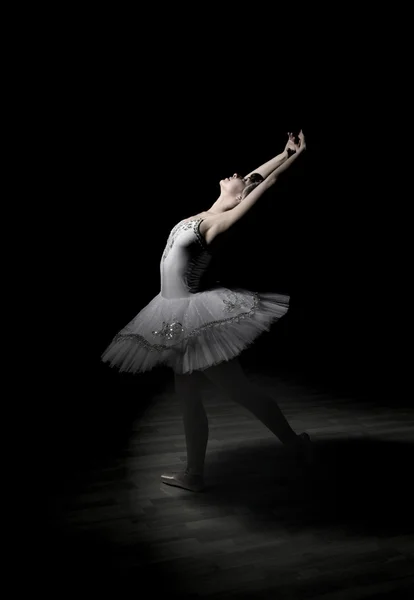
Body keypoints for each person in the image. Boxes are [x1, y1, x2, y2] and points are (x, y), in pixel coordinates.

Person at [102, 131, 312, 492]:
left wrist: (296, 158)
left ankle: (290, 443)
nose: (239, 176)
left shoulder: (217, 224)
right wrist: (282, 152)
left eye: (243, 182)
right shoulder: (208, 212)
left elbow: (269, 181)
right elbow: (259, 175)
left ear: (242, 196)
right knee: (190, 397)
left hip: (194, 319)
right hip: (172, 315)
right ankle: (196, 474)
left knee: (237, 390)